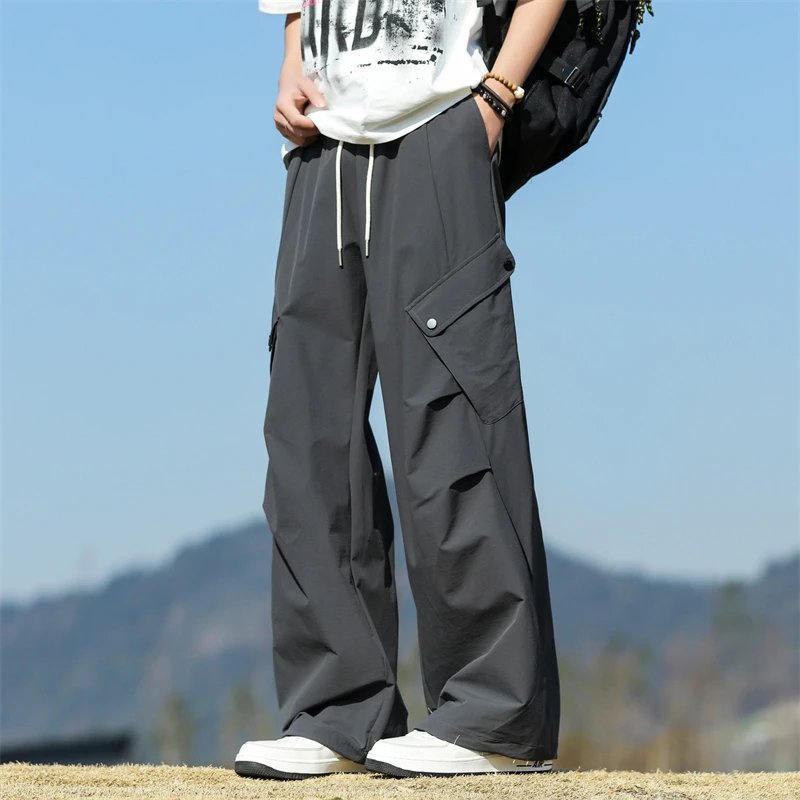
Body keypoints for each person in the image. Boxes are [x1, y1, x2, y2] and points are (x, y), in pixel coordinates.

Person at [235, 0, 566, 780]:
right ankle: (335, 710)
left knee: (451, 414)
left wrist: (497, 96)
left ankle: (492, 713)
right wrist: (292, 65)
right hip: (322, 149)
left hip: (440, 122)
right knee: (308, 432)